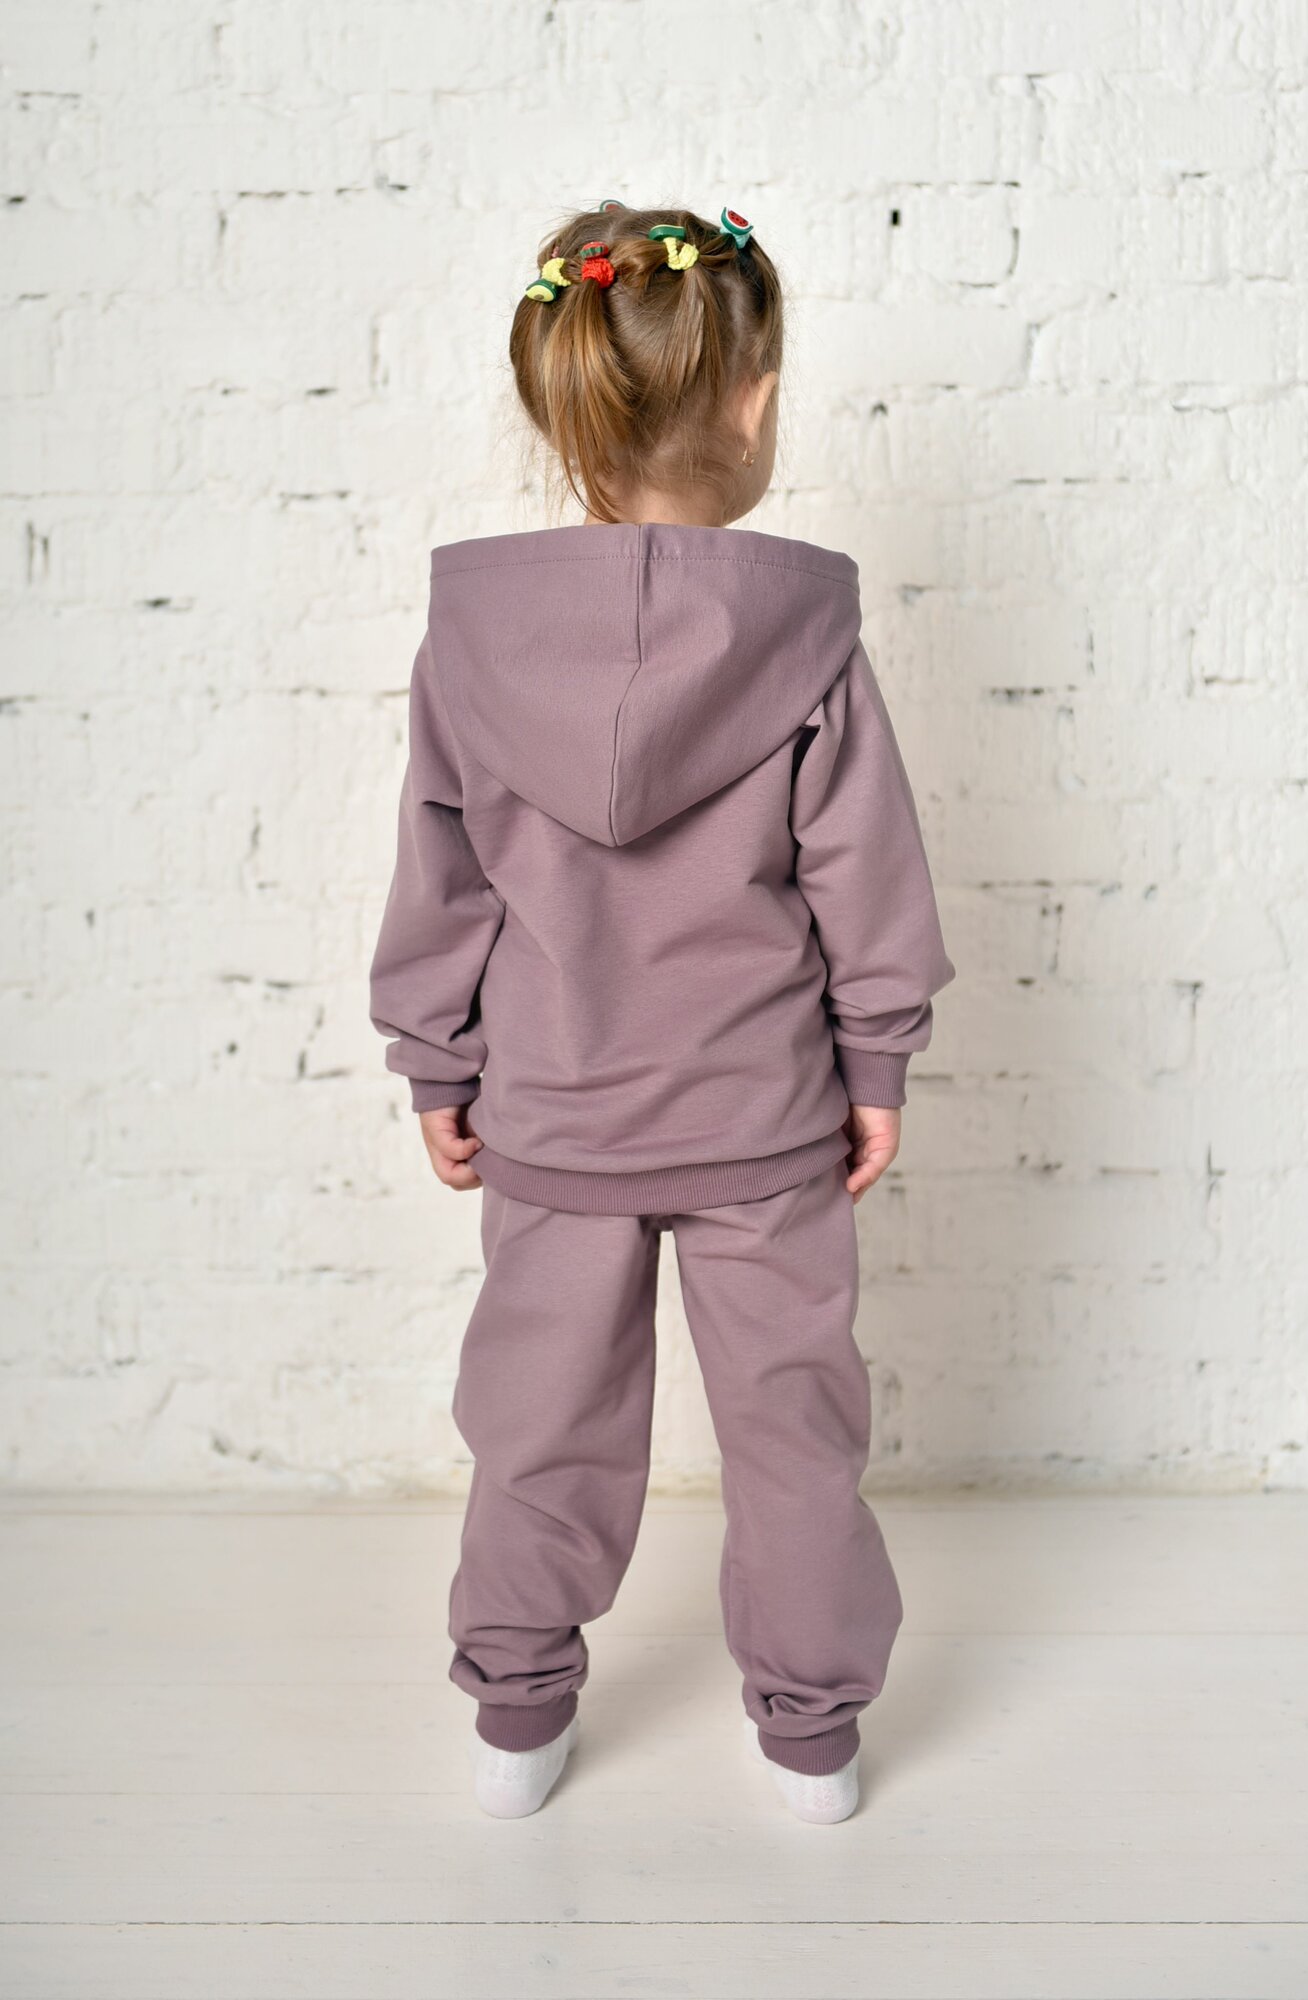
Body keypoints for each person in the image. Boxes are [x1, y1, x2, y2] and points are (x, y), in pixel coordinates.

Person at [368, 202, 955, 1825]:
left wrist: (434, 1062)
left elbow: (441, 868)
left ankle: (515, 1722)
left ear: (567, 407)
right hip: (764, 1118)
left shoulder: (469, 640)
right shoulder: (806, 638)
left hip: (551, 1114)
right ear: (753, 400)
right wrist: (876, 1057)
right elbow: (864, 871)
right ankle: (812, 1739)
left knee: (537, 1426)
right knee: (792, 1436)